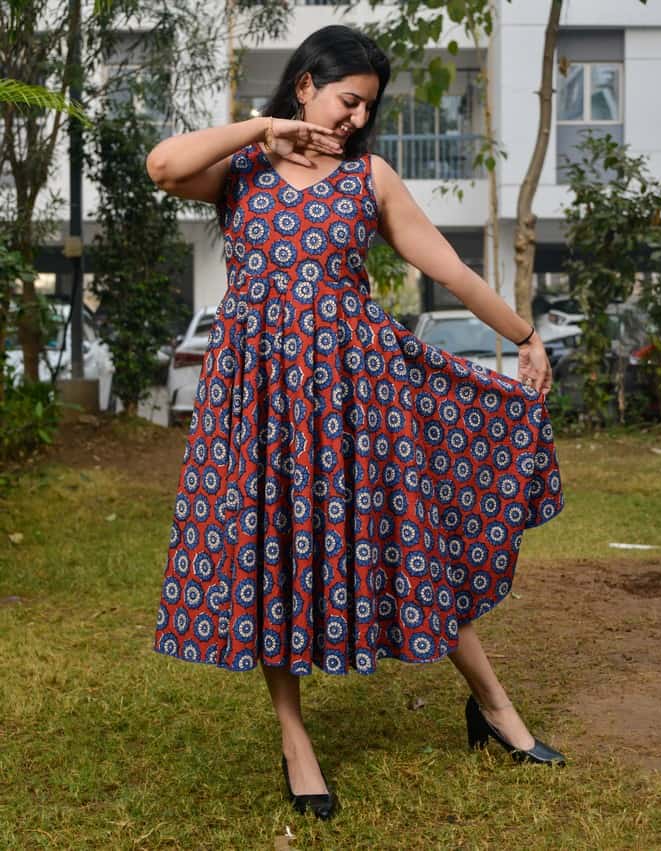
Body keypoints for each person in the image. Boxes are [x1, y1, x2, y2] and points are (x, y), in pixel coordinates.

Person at [147, 24, 567, 821]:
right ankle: (295, 741)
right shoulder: (238, 170)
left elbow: (443, 262)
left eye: (365, 109)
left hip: (357, 391)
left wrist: (524, 334)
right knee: (274, 553)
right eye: (346, 100)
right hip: (261, 400)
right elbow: (163, 164)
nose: (353, 119)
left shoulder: (367, 177)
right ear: (304, 84)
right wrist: (262, 127)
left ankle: (493, 706)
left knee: (413, 537)